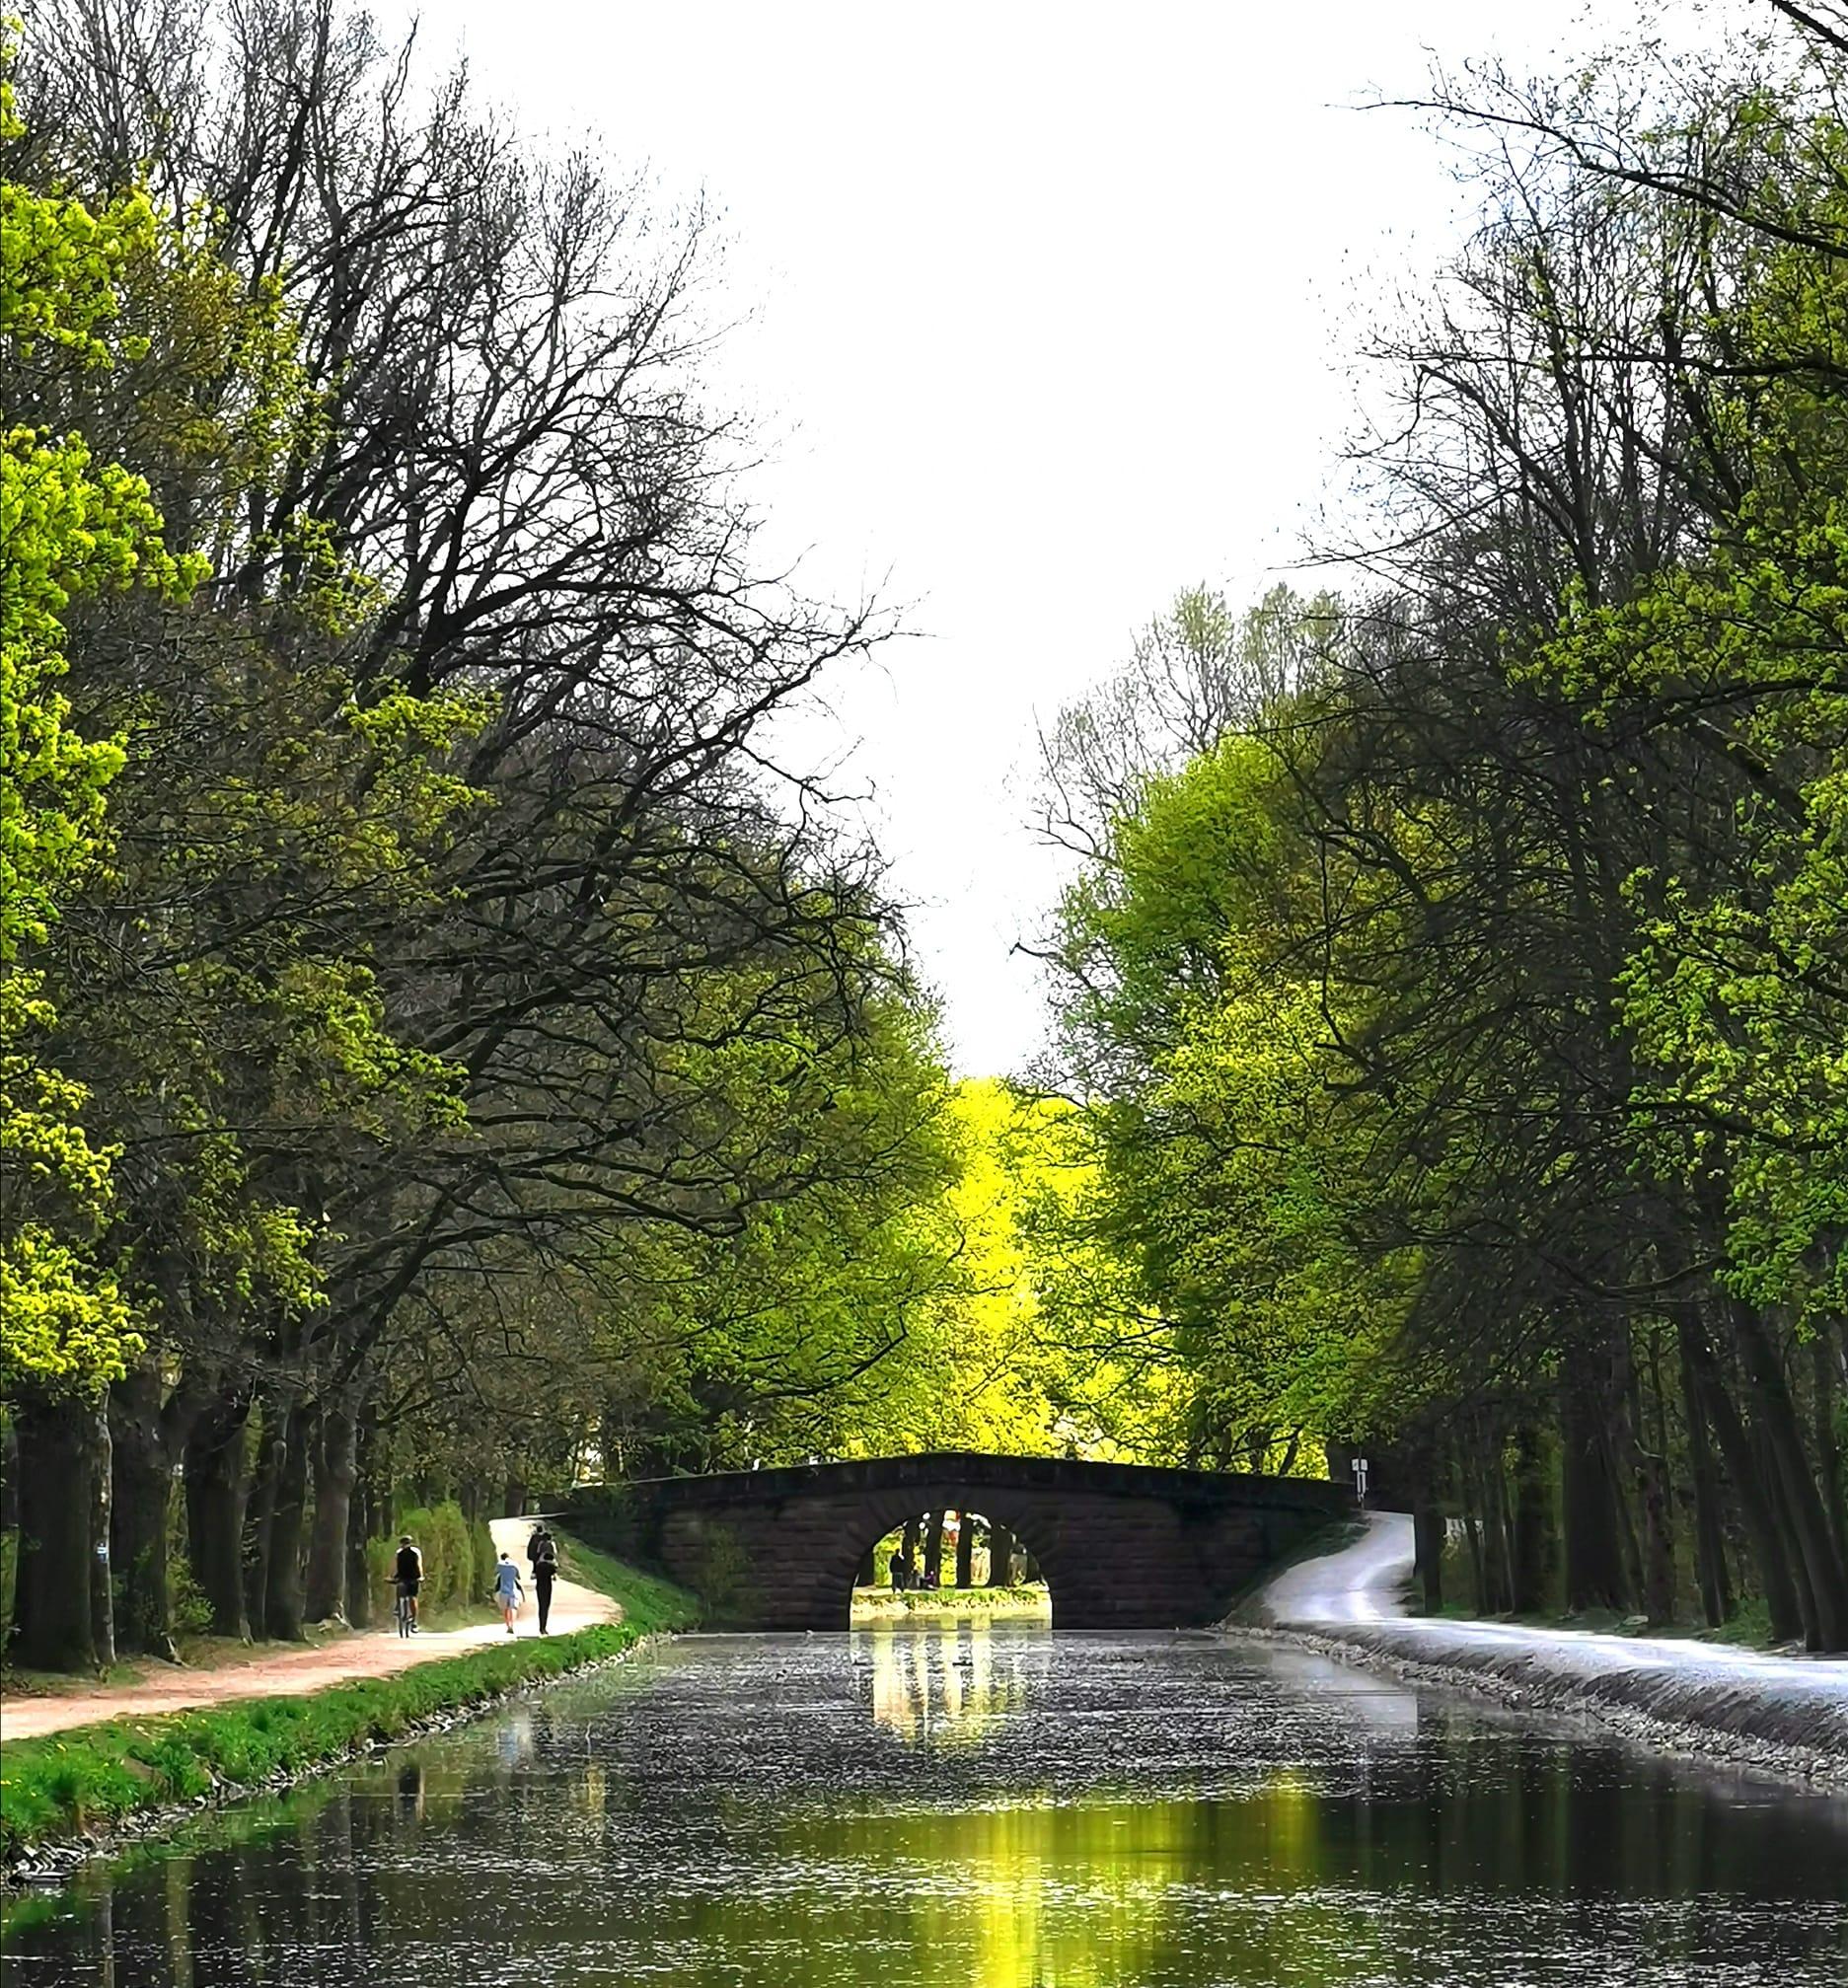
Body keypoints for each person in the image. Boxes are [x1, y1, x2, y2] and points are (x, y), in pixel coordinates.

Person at [529, 1525, 558, 1634]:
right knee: (546, 1606)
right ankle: (543, 1626)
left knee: (541, 1606)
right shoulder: (551, 1566)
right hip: (547, 1586)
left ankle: (541, 1626)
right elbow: (554, 1554)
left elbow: (537, 1553)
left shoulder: (540, 1564)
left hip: (539, 1586)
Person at [394, 1533, 423, 1632]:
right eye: (403, 1543)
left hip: (413, 1577)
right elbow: (395, 1565)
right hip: (404, 1576)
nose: (404, 1545)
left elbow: (419, 1565)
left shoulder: (415, 1552)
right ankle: (398, 1607)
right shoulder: (399, 1552)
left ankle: (414, 1621)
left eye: (406, 1543)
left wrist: (421, 1576)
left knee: (412, 1598)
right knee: (401, 1590)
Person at [491, 1550, 524, 1634]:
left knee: (505, 1609)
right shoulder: (515, 1565)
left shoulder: (499, 1565)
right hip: (513, 1590)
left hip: (503, 1590)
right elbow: (518, 1577)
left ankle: (508, 1625)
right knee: (513, 1608)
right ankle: (512, 1625)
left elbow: (495, 1573)